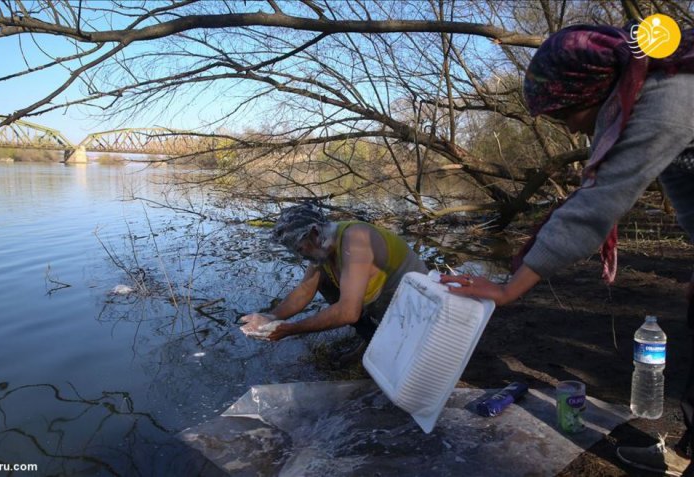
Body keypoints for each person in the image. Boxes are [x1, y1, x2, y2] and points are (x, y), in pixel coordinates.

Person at [442, 24, 693, 477]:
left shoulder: (666, 93)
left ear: (592, 93)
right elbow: (686, 189)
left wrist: (509, 288)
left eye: (563, 116)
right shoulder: (641, 91)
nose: (572, 129)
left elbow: (594, 206)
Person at [239, 203, 428, 362]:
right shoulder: (322, 246)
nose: (298, 255)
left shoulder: (356, 240)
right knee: (322, 281)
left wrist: (292, 329)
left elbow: (348, 312)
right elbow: (305, 289)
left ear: (314, 232)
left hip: (415, 305)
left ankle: (386, 344)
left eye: (298, 248)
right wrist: (272, 317)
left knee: (401, 355)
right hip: (381, 301)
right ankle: (370, 338)